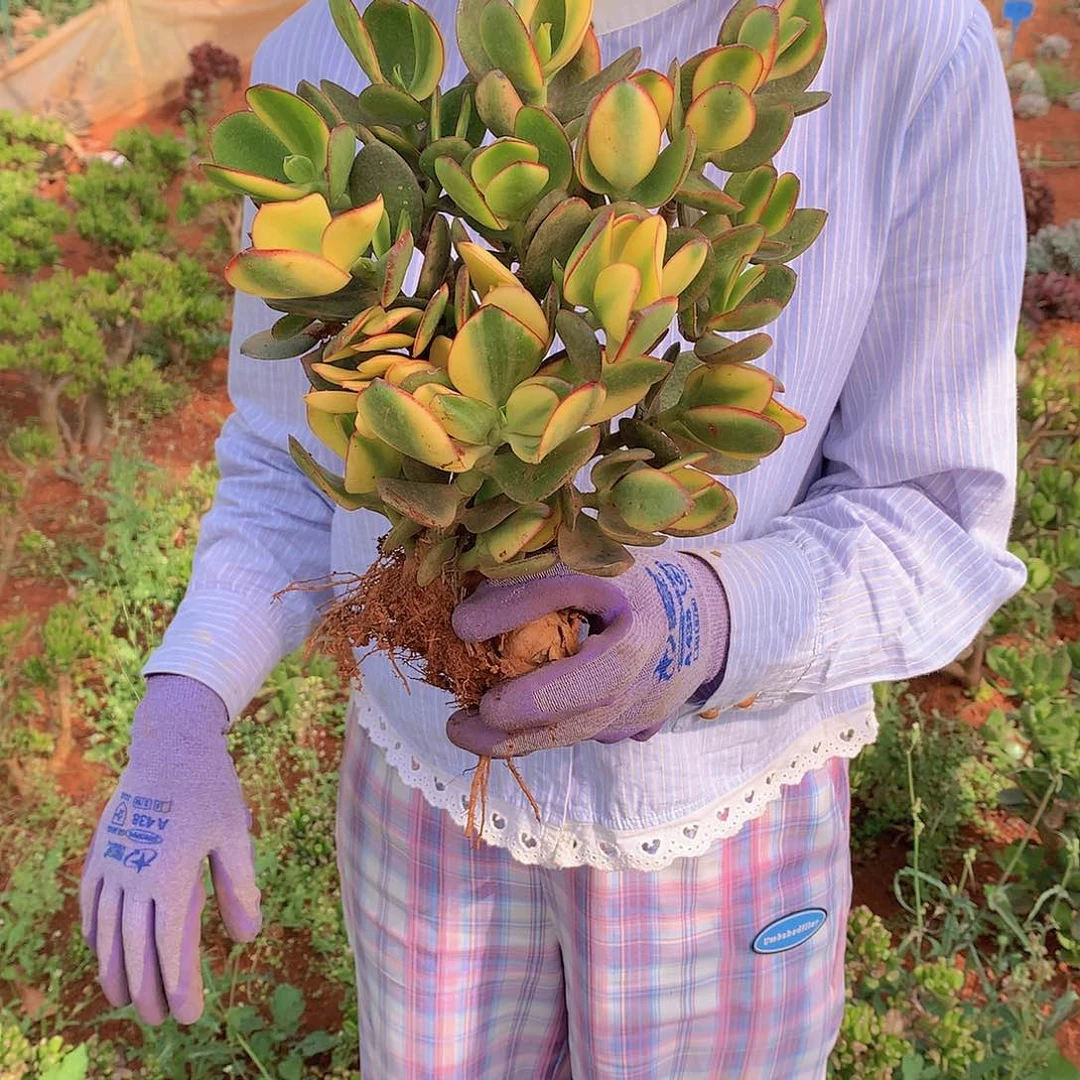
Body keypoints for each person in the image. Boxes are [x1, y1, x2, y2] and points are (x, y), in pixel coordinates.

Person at [78, 0, 1027, 1075]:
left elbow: (937, 509)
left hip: (718, 810)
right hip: (427, 794)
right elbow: (282, 467)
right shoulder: (318, 56)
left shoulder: (902, 42)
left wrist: (706, 621)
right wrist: (184, 707)